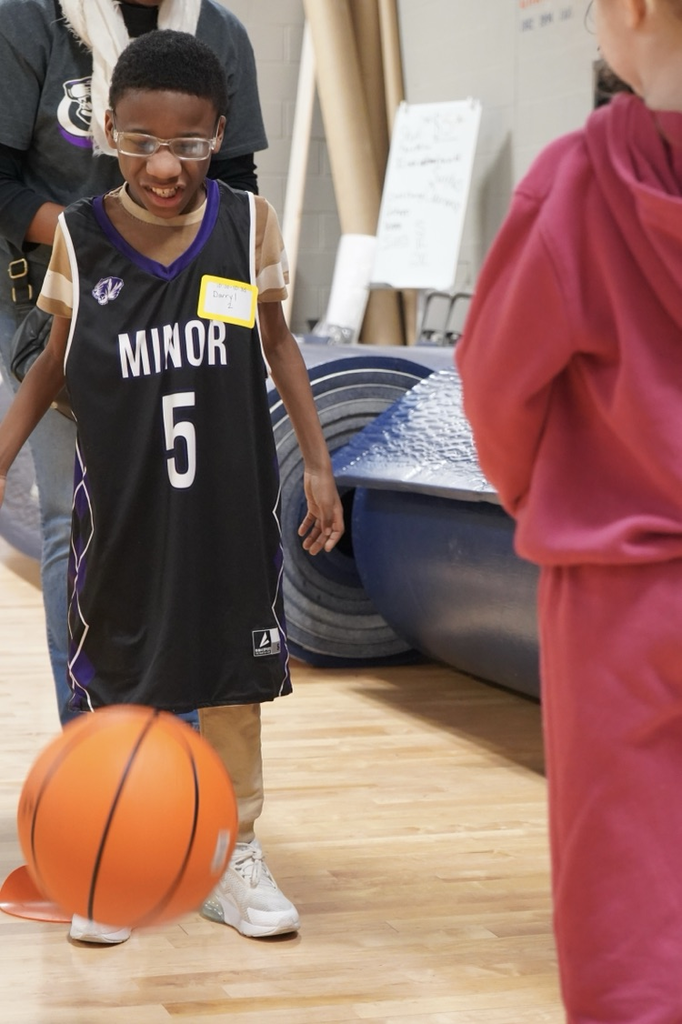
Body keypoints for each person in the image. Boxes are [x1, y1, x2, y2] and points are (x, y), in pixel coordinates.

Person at [0, 28, 344, 946]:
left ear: (218, 133)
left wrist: (316, 461)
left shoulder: (248, 226)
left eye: (189, 145)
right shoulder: (80, 236)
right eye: (143, 142)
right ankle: (112, 861)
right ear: (109, 130)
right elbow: (45, 370)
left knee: (229, 687)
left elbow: (277, 343)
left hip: (229, 515)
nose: (165, 165)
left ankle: (232, 857)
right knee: (123, 684)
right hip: (126, 515)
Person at [456, 1, 682, 1020]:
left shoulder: (581, 181)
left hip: (618, 598)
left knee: (624, 903)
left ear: (633, 9)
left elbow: (496, 383)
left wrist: (537, 500)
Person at [0, 0, 267, 727]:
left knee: (180, 517)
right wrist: (101, 238)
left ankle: (174, 753)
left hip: (179, 307)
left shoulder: (220, 34)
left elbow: (236, 186)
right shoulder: (26, 22)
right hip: (53, 301)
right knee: (75, 516)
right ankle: (90, 743)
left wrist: (221, 314)